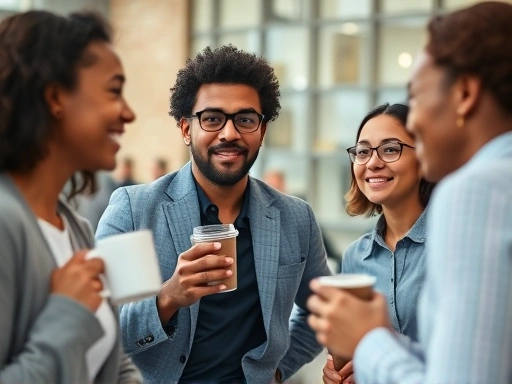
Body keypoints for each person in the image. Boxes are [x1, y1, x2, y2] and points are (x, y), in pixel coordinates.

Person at [96, 45, 332, 383]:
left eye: (246, 119)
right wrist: (168, 298)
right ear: (185, 129)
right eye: (212, 119)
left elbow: (320, 310)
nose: (229, 133)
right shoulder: (136, 210)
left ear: (262, 131)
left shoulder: (295, 218)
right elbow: (101, 326)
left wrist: (278, 370)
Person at [307, 2, 512, 383]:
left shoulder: (478, 192)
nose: (414, 120)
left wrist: (370, 343)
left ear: (465, 93)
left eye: (417, 97)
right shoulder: (357, 255)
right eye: (363, 151)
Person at [0, 10, 141, 384]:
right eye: (114, 90)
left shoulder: (76, 229)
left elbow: (111, 366)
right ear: (55, 97)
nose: (129, 113)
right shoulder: (4, 223)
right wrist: (67, 315)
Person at [320, 103, 435, 384]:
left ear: (422, 158)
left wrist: (377, 363)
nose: (372, 162)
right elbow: (350, 347)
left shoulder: (451, 246)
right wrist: (339, 371)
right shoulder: (355, 257)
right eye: (362, 151)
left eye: (390, 149)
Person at [262, 169, 343, 271]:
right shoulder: (259, 223)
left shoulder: (301, 219)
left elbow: (332, 256)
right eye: (267, 189)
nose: (271, 195)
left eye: (276, 188)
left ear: (284, 187)